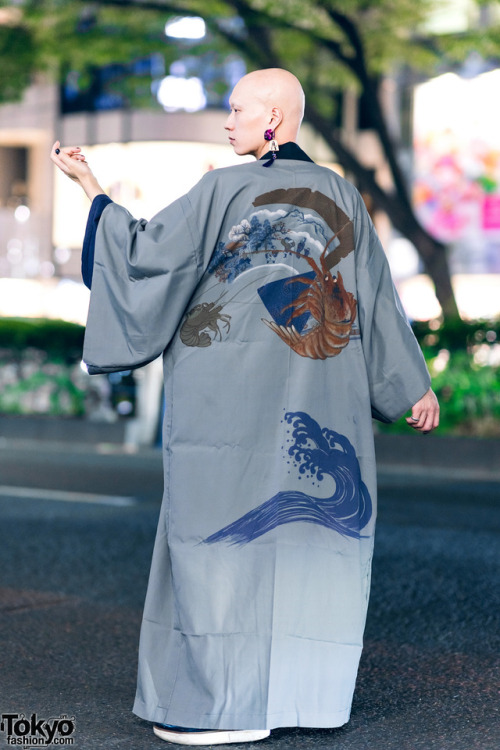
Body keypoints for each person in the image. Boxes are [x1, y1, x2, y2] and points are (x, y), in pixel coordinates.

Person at [51, 68, 439, 746]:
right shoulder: (342, 194)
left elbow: (144, 259)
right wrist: (412, 384)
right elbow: (377, 300)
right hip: (318, 403)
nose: (227, 121)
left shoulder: (221, 190)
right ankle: (295, 698)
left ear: (273, 119)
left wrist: (93, 191)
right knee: (304, 541)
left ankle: (221, 705)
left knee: (217, 538)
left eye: (237, 110)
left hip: (222, 409)